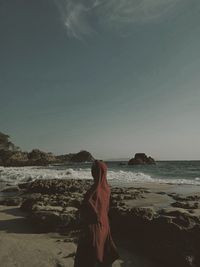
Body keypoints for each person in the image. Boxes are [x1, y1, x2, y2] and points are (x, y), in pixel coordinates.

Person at [74, 160, 119, 267]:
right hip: (104, 227)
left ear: (95, 173)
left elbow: (86, 212)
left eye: (93, 170)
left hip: (92, 231)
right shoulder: (107, 189)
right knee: (101, 257)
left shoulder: (92, 192)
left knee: (88, 260)